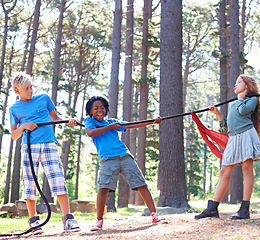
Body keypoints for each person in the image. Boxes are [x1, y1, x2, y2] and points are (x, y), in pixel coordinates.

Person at [9, 72, 81, 234]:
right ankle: (34, 221)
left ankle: (68, 219)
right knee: (29, 183)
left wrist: (68, 121)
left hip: (49, 144)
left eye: (31, 87)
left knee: (58, 179)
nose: (30, 90)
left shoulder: (44, 98)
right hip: (29, 148)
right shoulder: (14, 109)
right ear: (16, 91)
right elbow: (14, 135)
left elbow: (55, 118)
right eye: (26, 88)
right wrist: (23, 126)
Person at [84, 96, 168, 231]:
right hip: (107, 159)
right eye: (96, 108)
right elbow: (90, 133)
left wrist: (152, 121)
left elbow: (132, 124)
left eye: (102, 107)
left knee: (141, 183)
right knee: (103, 188)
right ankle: (99, 221)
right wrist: (109, 127)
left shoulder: (113, 122)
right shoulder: (90, 122)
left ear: (106, 110)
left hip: (124, 156)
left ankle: (154, 215)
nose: (100, 110)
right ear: (90, 111)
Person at [195, 75, 260, 220]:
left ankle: (245, 209)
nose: (235, 84)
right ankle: (212, 208)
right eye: (235, 82)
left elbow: (244, 111)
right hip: (233, 138)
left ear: (247, 85)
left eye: (239, 82)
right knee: (224, 171)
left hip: (246, 135)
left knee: (247, 169)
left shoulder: (251, 99)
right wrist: (218, 114)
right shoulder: (234, 103)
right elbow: (228, 125)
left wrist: (241, 97)